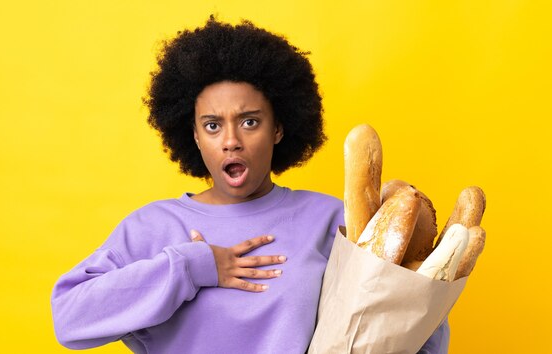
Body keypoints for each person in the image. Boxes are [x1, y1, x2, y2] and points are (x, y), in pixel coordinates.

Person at [50, 16, 449, 353]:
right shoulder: (151, 227)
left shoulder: (332, 220)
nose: (231, 140)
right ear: (193, 135)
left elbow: (410, 325)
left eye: (250, 121)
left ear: (278, 128)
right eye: (212, 125)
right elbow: (70, 319)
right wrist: (194, 267)